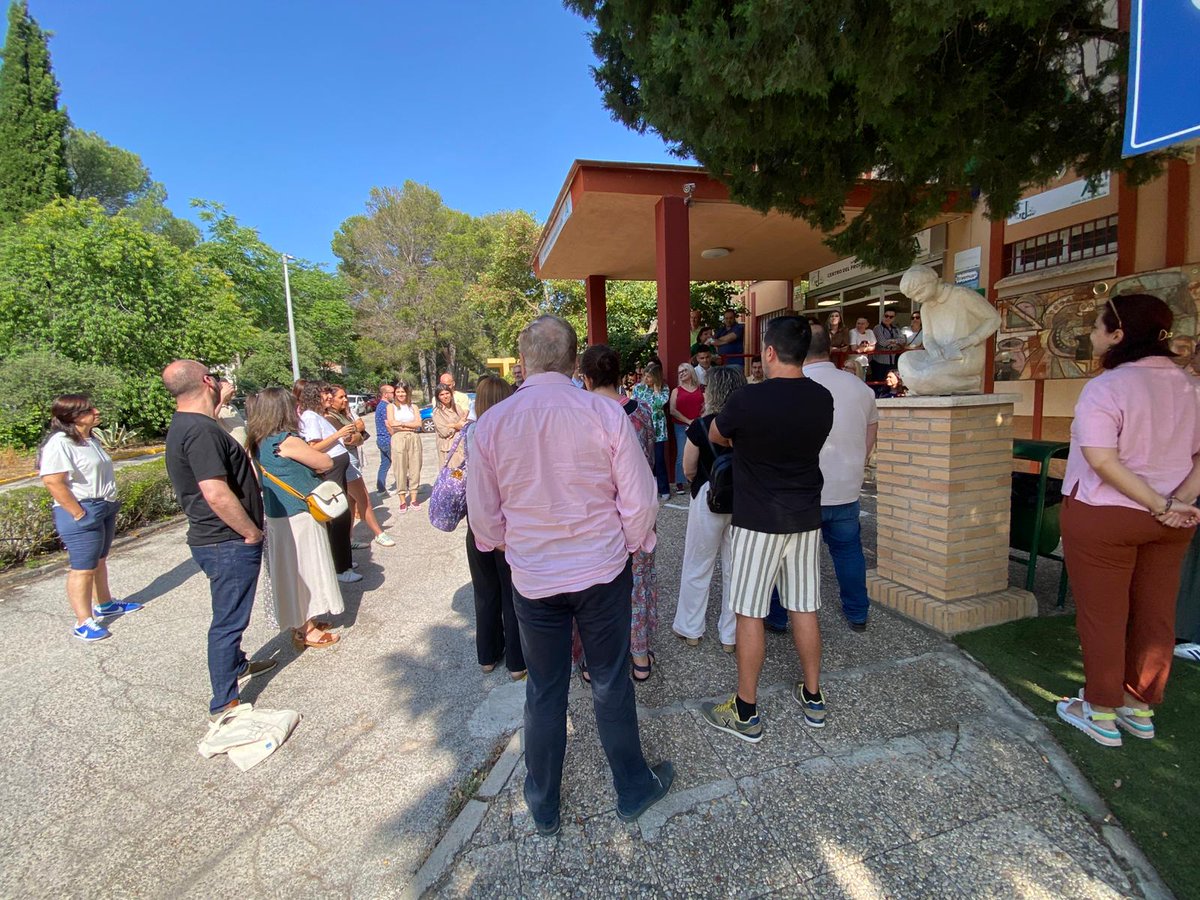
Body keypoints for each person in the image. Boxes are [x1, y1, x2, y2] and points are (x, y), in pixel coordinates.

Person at [466, 315, 672, 835]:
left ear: (526, 359)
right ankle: (633, 786)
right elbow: (640, 496)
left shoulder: (490, 424)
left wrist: (514, 547)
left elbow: (484, 519)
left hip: (535, 578)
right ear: (573, 362)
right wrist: (628, 544)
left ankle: (543, 802)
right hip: (601, 569)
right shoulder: (604, 414)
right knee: (609, 681)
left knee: (544, 687)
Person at [1055, 294, 1200, 748]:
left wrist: (1159, 502)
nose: (1093, 336)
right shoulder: (1190, 385)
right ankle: (1139, 706)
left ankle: (1099, 711)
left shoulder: (1107, 386)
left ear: (1119, 335)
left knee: (1104, 615)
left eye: (1098, 327)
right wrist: (1176, 502)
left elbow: (1101, 459)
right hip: (1173, 519)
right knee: (1157, 613)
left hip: (1105, 516)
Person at [700, 317, 834, 743]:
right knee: (804, 606)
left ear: (770, 352)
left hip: (758, 519)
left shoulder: (747, 400)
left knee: (750, 612)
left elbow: (718, 434)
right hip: (806, 518)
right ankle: (813, 697)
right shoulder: (823, 398)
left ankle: (745, 710)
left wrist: (747, 442)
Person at [162, 361, 275, 720]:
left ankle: (237, 664)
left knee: (230, 614)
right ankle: (225, 702)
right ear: (207, 381)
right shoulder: (200, 431)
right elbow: (215, 492)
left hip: (217, 539)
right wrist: (249, 531)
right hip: (225, 540)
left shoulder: (189, 425)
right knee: (228, 620)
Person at [579, 345, 660, 682]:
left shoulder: (580, 416)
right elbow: (650, 463)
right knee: (637, 583)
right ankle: (639, 656)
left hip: (595, 518)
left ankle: (590, 660)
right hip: (637, 513)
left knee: (592, 589)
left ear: (585, 378)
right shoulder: (640, 413)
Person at [39, 394, 141, 642]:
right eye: (89, 410)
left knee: (99, 560)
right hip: (82, 509)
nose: (96, 411)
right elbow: (53, 480)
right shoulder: (60, 442)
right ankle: (83, 621)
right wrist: (78, 513)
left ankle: (105, 604)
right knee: (82, 568)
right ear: (73, 417)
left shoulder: (88, 439)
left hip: (103, 506)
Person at [247, 387, 343, 650]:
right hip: (298, 514)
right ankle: (305, 629)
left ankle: (303, 622)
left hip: (277, 515)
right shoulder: (286, 440)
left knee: (291, 572)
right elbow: (324, 462)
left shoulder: (258, 440)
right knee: (306, 571)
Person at [800, 324, 878, 631]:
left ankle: (779, 616)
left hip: (804, 488)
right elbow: (870, 433)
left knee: (790, 557)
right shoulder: (860, 388)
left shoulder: (795, 384)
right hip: (846, 485)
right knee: (848, 552)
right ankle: (858, 612)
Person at [671, 367, 745, 653]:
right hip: (743, 500)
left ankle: (691, 629)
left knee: (697, 564)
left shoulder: (701, 426)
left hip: (707, 495)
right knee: (735, 569)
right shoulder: (749, 425)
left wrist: (698, 483)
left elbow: (688, 468)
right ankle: (731, 635)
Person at [465, 375, 525, 680]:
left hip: (477, 523)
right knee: (511, 593)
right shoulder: (512, 432)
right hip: (507, 521)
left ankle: (487, 655)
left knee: (485, 592)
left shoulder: (471, 431)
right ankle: (517, 661)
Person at [297, 381, 360, 584]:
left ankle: (343, 560)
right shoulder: (310, 417)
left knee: (342, 515)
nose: (329, 397)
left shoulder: (317, 416)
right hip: (330, 472)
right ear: (315, 396)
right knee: (338, 516)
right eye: (325, 394)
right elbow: (314, 447)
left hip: (338, 469)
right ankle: (342, 568)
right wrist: (338, 435)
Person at [326, 385, 395, 548]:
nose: (345, 400)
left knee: (351, 501)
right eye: (341, 397)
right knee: (363, 498)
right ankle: (379, 533)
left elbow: (360, 431)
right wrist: (356, 435)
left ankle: (349, 539)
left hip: (352, 457)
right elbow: (350, 438)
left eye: (345, 397)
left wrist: (356, 435)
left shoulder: (343, 414)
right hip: (346, 461)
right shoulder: (330, 418)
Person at [632, 364, 671, 499]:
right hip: (643, 428)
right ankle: (647, 489)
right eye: (645, 376)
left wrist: (656, 390)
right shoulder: (638, 388)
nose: (646, 379)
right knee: (645, 459)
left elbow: (660, 403)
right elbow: (634, 404)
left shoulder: (664, 388)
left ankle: (664, 488)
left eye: (649, 376)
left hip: (658, 429)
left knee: (659, 459)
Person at [387, 383, 424, 511]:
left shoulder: (413, 407)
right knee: (400, 468)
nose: (401, 394)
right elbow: (392, 423)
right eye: (398, 392)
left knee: (415, 467)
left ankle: (414, 498)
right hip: (398, 438)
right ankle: (402, 499)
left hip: (413, 437)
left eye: (403, 392)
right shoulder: (391, 407)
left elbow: (418, 424)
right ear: (395, 393)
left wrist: (402, 423)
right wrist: (408, 424)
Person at [668, 362, 704, 494]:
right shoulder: (676, 391)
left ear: (691, 371)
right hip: (681, 425)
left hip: (699, 424)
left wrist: (699, 420)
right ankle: (680, 481)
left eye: (684, 371)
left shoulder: (701, 388)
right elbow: (672, 410)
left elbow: (706, 405)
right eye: (679, 372)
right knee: (682, 453)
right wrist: (689, 421)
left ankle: (698, 478)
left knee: (701, 452)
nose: (682, 374)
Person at [870, 308, 907, 389]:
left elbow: (903, 340)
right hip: (879, 362)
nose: (888, 318)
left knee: (891, 384)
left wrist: (892, 341)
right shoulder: (878, 328)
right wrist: (895, 343)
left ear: (894, 318)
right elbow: (882, 342)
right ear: (883, 316)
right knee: (879, 383)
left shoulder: (896, 329)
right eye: (886, 316)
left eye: (891, 317)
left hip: (892, 361)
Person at [432, 384, 468, 468]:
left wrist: (452, 425)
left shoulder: (457, 408)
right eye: (442, 394)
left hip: (462, 445)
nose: (445, 396)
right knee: (453, 476)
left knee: (463, 474)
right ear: (438, 397)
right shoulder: (438, 413)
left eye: (447, 393)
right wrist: (457, 426)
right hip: (449, 449)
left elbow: (464, 423)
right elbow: (444, 432)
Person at [373, 383, 395, 494]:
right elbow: (388, 424)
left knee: (385, 464)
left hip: (381, 440)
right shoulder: (386, 407)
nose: (394, 394)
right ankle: (405, 485)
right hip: (388, 440)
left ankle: (381, 489)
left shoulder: (379, 406)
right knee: (399, 463)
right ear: (385, 394)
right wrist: (395, 436)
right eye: (392, 392)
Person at [215, 378, 247, 447]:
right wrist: (222, 397)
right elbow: (209, 418)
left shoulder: (233, 406)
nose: (231, 391)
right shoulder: (215, 408)